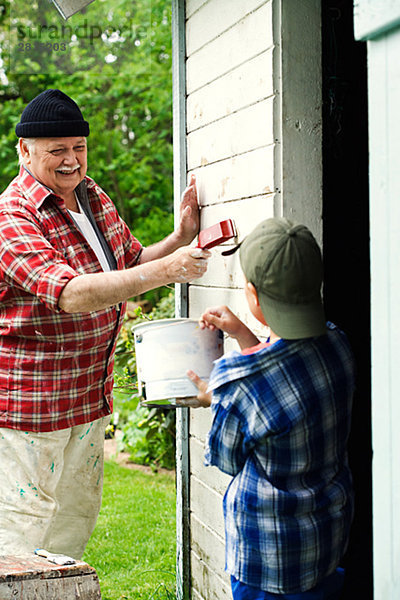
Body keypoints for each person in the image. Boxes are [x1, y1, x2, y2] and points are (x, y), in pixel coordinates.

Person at [0, 89, 209, 559]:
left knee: (72, 523)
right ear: (24, 151)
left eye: (79, 146)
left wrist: (178, 239)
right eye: (57, 150)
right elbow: (70, 294)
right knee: (21, 536)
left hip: (85, 399)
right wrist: (167, 269)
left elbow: (129, 262)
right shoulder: (11, 217)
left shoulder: (91, 196)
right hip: (28, 411)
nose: (72, 160)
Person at [187, 218, 355, 600]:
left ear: (253, 295)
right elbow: (285, 381)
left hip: (269, 563)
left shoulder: (237, 381)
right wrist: (244, 338)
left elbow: (228, 459)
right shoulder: (338, 343)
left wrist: (217, 397)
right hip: (325, 545)